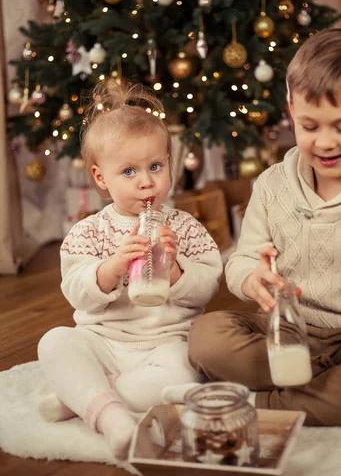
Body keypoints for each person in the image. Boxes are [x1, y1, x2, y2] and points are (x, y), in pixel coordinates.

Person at [186, 28, 341, 427]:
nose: (325, 142)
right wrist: (252, 278)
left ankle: (268, 405)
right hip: (284, 332)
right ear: (291, 114)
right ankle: (325, 391)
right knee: (206, 336)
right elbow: (242, 258)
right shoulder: (272, 184)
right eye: (310, 126)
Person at [37, 80, 222, 460]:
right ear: (101, 178)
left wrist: (175, 271)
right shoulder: (88, 231)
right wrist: (111, 267)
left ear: (169, 164)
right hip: (104, 341)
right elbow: (76, 289)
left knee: (187, 375)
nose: (146, 181)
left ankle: (86, 397)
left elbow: (208, 286)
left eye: (155, 166)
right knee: (55, 342)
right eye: (128, 171)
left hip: (167, 343)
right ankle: (114, 419)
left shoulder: (186, 228)